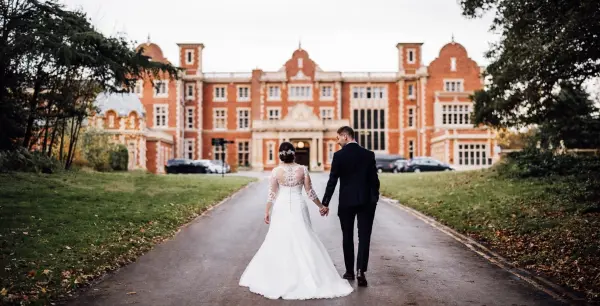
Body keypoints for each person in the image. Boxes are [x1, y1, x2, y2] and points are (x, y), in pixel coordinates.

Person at [239, 142, 353, 300]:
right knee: (304, 236)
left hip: (281, 207)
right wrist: (322, 206)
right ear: (294, 154)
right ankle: (310, 276)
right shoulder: (303, 169)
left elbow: (271, 194)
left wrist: (267, 211)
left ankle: (277, 277)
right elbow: (310, 192)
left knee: (278, 239)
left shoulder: (276, 171)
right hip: (299, 206)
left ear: (280, 155)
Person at [321, 126, 380, 287]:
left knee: (347, 236)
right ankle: (361, 270)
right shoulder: (368, 155)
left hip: (346, 202)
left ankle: (349, 272)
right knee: (364, 237)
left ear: (346, 137)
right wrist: (375, 197)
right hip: (367, 202)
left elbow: (332, 181)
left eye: (338, 137)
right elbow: (374, 180)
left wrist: (325, 203)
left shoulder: (339, 156)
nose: (337, 140)